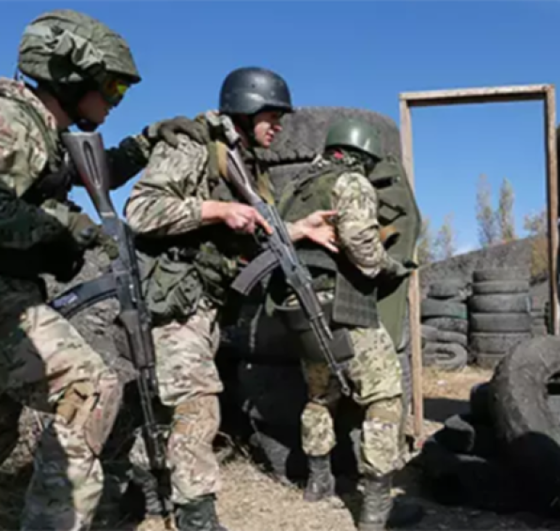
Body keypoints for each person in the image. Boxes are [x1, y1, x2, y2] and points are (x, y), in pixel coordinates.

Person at [0, 9, 209, 530]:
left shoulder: (43, 129)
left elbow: (94, 170)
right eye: (112, 87)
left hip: (15, 292)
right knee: (89, 388)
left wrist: (148, 139)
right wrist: (63, 226)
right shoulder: (13, 119)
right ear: (73, 78)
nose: (116, 101)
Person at [123, 66, 337, 530]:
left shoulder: (243, 165)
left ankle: (144, 488)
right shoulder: (194, 145)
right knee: (198, 407)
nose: (279, 127)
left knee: (168, 408)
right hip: (174, 302)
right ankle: (197, 518)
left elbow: (255, 234)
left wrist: (300, 230)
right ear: (246, 107)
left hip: (202, 302)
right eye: (272, 116)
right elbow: (141, 209)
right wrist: (217, 209)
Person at [273, 118, 415, 531]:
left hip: (300, 308)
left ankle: (318, 483)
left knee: (321, 396)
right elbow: (360, 244)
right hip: (343, 305)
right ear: (363, 155)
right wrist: (390, 267)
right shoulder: (351, 181)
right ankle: (376, 508)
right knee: (384, 396)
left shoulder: (295, 188)